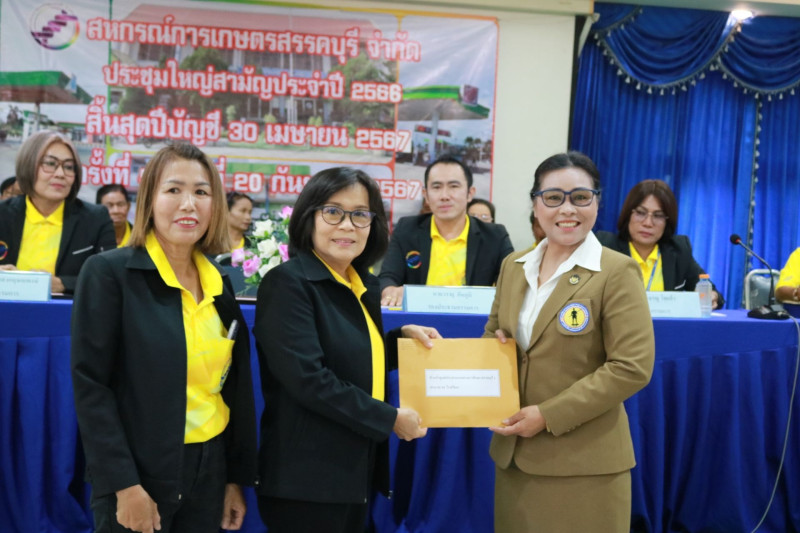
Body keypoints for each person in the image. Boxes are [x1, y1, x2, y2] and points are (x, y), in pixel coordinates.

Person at [71, 143, 257, 533]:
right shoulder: (109, 273)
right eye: (174, 189)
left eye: (201, 192)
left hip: (209, 472)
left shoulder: (220, 282)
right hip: (140, 474)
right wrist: (123, 485)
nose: (189, 204)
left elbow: (232, 389)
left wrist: (231, 479)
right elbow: (92, 388)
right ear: (150, 200)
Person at [253, 167, 440, 533]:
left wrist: (400, 340)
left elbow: (349, 354)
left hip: (352, 475)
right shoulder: (288, 283)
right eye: (333, 212)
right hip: (306, 482)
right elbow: (309, 379)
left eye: (360, 214)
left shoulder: (361, 283)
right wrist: (389, 418)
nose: (347, 225)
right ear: (309, 217)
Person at [485, 151, 654, 532]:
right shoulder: (513, 266)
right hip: (515, 460)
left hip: (585, 466)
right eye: (553, 197)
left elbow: (631, 368)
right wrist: (487, 352)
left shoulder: (617, 271)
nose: (567, 209)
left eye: (580, 197)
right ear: (535, 204)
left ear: (597, 202)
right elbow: (493, 333)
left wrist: (548, 415)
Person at [379, 156, 514, 306]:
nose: (444, 196)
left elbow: (512, 283)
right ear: (426, 195)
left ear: (470, 193)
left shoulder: (495, 236)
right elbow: (388, 276)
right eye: (436, 187)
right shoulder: (407, 229)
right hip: (419, 319)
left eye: (453, 186)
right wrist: (390, 290)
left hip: (473, 319)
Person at [0, 131, 115, 293]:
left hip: (67, 308)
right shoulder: (3, 214)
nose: (60, 174)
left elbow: (110, 278)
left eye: (68, 167)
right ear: (28, 165)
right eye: (50, 163)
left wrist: (61, 284)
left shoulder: (95, 219)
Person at [596, 179, 724, 308]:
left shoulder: (679, 250)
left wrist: (712, 296)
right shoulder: (605, 246)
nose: (648, 223)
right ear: (628, 214)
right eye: (640, 213)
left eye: (658, 216)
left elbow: (711, 292)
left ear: (667, 221)